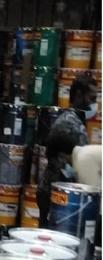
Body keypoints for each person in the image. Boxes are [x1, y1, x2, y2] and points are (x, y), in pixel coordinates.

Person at [38, 73, 98, 227]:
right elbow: (81, 165)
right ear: (78, 95)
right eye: (92, 98)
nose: (95, 104)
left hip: (58, 193)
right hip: (58, 196)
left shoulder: (73, 120)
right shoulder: (71, 124)